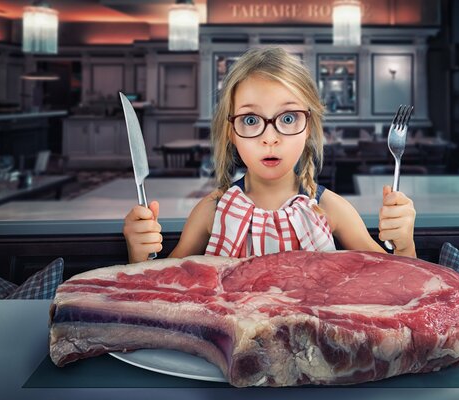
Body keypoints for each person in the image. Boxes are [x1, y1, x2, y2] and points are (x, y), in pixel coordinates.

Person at [123, 47, 416, 264]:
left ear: (308, 127)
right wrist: (139, 253)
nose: (270, 137)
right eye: (251, 120)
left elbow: (399, 277)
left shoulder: (333, 210)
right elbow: (162, 287)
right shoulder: (209, 213)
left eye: (288, 118)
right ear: (231, 131)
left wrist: (404, 245)